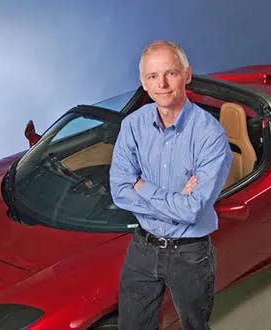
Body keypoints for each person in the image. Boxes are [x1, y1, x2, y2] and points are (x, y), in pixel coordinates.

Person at [109, 40, 232, 330]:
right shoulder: (133, 126)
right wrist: (176, 200)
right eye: (153, 76)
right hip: (143, 247)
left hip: (189, 253)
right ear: (143, 82)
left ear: (186, 75)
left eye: (171, 74)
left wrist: (142, 185)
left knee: (194, 326)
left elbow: (192, 211)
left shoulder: (210, 135)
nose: (162, 84)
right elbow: (119, 191)